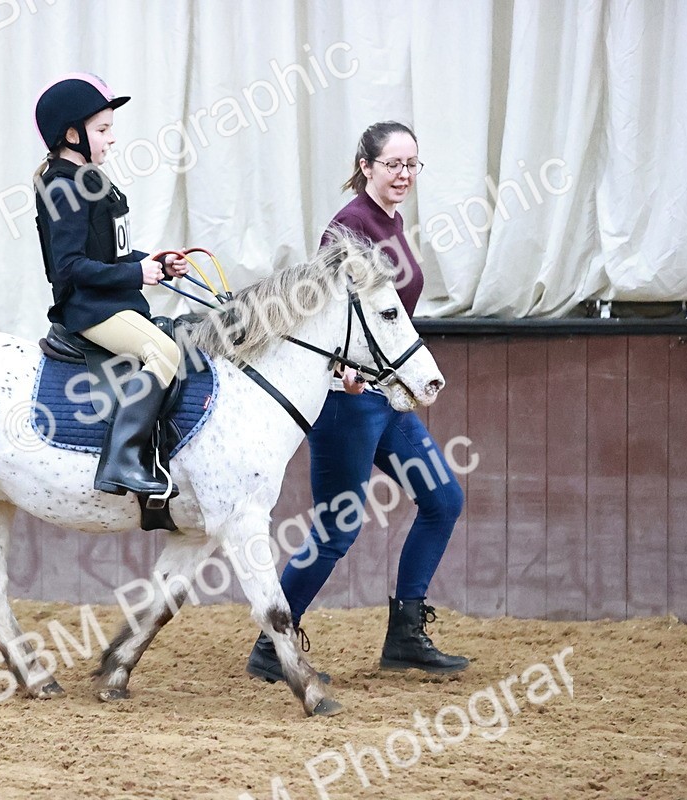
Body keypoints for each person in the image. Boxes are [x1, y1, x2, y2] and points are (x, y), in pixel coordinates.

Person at [247, 121, 469, 682]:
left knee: (443, 499)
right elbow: (327, 314)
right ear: (366, 166)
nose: (404, 175)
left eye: (412, 164)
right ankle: (273, 643)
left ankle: (406, 634)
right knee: (337, 529)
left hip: (386, 398)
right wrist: (344, 372)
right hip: (346, 401)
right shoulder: (347, 229)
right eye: (393, 164)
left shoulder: (392, 223)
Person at [33, 73, 188, 499]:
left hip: (114, 299)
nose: (111, 139)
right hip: (88, 309)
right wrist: (135, 275)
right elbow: (70, 267)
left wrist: (152, 262)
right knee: (165, 352)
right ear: (71, 135)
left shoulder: (92, 181)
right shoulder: (62, 187)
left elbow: (109, 255)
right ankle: (121, 460)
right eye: (102, 130)